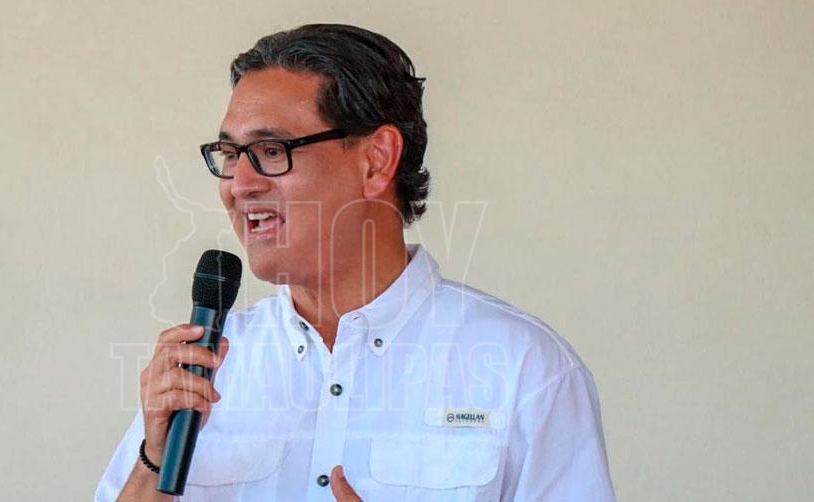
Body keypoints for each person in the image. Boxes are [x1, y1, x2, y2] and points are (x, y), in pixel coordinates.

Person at [96, 23, 616, 501]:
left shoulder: (525, 369)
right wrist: (153, 461)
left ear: (376, 161)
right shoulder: (201, 371)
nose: (239, 184)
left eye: (271, 151)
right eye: (230, 155)